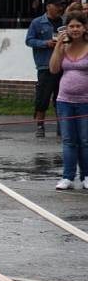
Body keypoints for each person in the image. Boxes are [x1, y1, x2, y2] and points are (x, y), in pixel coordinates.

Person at [48, 11, 88, 191]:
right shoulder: (63, 47)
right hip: (64, 101)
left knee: (85, 140)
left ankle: (86, 176)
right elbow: (54, 69)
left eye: (78, 26)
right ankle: (67, 177)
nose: (75, 29)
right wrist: (58, 47)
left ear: (84, 27)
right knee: (69, 140)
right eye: (71, 26)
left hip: (85, 101)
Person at [25, 0, 66, 138]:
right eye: (56, 5)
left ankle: (61, 126)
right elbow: (29, 40)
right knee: (42, 97)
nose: (59, 8)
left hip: (63, 64)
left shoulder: (64, 22)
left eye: (61, 6)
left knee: (60, 97)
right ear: (48, 6)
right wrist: (45, 43)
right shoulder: (37, 22)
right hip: (45, 65)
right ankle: (40, 125)